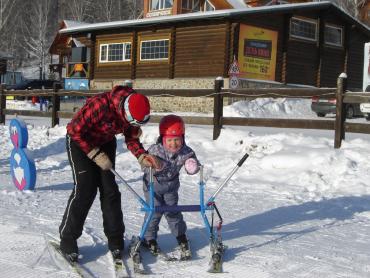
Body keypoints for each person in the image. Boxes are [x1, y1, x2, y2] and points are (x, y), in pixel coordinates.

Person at [59, 85, 160, 263]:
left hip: (105, 140)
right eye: (132, 122)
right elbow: (73, 130)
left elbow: (131, 137)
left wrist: (141, 155)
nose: (132, 125)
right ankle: (68, 238)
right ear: (125, 111)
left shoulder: (131, 110)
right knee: (86, 188)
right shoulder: (100, 106)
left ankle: (115, 239)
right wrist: (95, 154)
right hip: (80, 141)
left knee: (110, 190)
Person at [140, 114, 201, 260]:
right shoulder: (155, 150)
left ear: (182, 137)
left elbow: (193, 161)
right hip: (153, 185)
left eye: (177, 139)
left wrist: (192, 166)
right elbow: (143, 165)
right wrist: (154, 165)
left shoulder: (186, 151)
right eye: (170, 140)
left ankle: (181, 236)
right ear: (162, 138)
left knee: (173, 211)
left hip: (172, 186)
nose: (174, 144)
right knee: (154, 212)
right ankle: (149, 239)